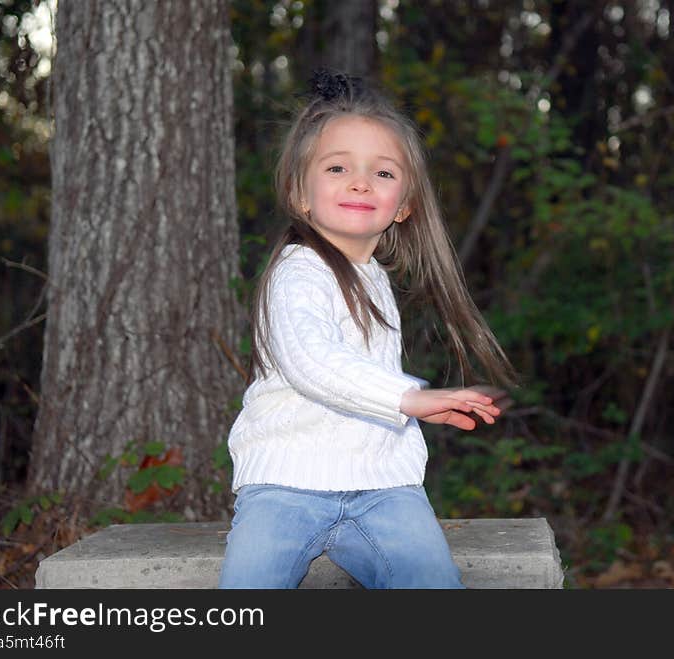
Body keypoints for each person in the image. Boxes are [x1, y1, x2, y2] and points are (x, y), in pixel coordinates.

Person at [218, 69, 517, 589]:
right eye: (337, 167)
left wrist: (417, 405)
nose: (360, 181)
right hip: (284, 485)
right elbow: (313, 363)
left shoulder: (374, 277)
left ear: (404, 205)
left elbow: (364, 380)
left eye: (383, 173)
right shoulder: (297, 272)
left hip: (385, 489)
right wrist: (409, 398)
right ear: (299, 193)